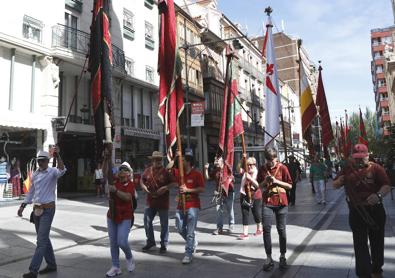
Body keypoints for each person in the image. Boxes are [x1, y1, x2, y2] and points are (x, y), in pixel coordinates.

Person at [333, 144, 391, 278]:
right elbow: (334, 185)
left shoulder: (377, 168)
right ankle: (364, 273)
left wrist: (378, 196)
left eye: (361, 158)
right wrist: (340, 181)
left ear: (367, 155)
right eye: (356, 158)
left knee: (377, 242)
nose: (359, 160)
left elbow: (386, 185)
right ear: (352, 157)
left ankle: (377, 269)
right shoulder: (347, 169)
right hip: (357, 211)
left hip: (375, 211)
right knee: (360, 244)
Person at [17, 149, 66, 278]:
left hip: (48, 210)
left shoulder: (52, 172)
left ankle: (33, 271)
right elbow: (31, 192)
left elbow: (62, 169)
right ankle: (51, 265)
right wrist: (23, 206)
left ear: (47, 161)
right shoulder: (35, 174)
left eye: (43, 160)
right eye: (39, 161)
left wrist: (58, 155)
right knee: (44, 239)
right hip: (37, 210)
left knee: (41, 241)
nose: (41, 163)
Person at [258, 148, 292, 271]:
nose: (271, 163)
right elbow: (258, 186)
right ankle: (268, 257)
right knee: (266, 229)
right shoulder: (262, 169)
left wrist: (276, 181)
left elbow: (289, 185)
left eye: (272, 160)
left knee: (281, 230)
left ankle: (282, 256)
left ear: (276, 158)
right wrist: (265, 181)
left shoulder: (283, 168)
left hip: (282, 202)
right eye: (268, 160)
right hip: (267, 202)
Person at [140, 151, 177, 253]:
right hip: (150, 201)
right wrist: (143, 187)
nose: (158, 161)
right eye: (156, 160)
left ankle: (164, 244)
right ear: (152, 161)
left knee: (164, 224)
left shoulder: (166, 172)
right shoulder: (147, 170)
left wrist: (165, 187)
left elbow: (174, 183)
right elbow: (141, 180)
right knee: (147, 221)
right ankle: (150, 241)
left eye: (160, 159)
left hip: (162, 202)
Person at [105, 162, 136, 277]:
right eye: (121, 169)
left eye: (125, 170)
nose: (122, 171)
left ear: (129, 173)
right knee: (113, 243)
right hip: (112, 215)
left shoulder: (131, 185)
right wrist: (106, 158)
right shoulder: (114, 181)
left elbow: (128, 197)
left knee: (122, 241)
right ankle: (115, 267)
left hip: (125, 216)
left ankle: (129, 257)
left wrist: (115, 191)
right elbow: (105, 172)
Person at [175, 152, 205, 264]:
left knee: (190, 232)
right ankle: (193, 242)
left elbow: (202, 189)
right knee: (179, 227)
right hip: (180, 205)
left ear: (188, 162)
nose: (180, 162)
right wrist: (176, 156)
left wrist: (188, 190)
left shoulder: (197, 174)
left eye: (182, 160)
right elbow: (170, 169)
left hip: (193, 205)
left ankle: (188, 253)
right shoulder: (180, 174)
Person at [204, 157, 235, 235]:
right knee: (218, 211)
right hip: (218, 193)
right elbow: (207, 178)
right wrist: (206, 169)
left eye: (217, 160)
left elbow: (232, 178)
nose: (215, 161)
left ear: (222, 162)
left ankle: (231, 224)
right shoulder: (216, 170)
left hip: (229, 192)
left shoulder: (227, 168)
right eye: (215, 160)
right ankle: (219, 228)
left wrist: (227, 181)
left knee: (229, 209)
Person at [238, 156, 263, 240]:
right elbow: (238, 168)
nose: (249, 166)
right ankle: (245, 234)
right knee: (245, 213)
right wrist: (242, 160)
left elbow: (258, 185)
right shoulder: (245, 172)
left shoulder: (257, 173)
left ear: (254, 164)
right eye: (247, 164)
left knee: (256, 213)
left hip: (255, 196)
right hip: (244, 195)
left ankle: (259, 228)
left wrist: (250, 179)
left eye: (251, 165)